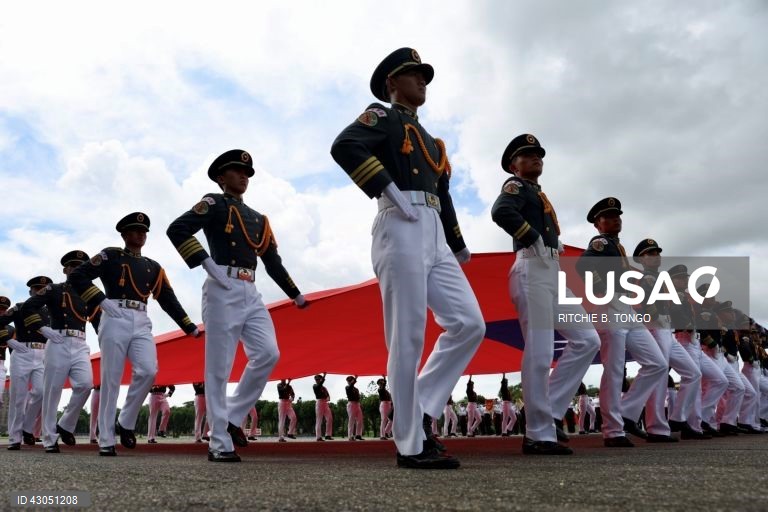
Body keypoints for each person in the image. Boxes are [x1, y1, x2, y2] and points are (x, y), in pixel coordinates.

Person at [331, 47, 485, 469]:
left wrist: (456, 241)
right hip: (400, 221)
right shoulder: (381, 117)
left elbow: (446, 195)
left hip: (433, 227)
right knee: (408, 334)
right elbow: (344, 145)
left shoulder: (433, 143)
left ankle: (419, 410)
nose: (422, 81)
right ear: (391, 83)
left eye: (424, 75)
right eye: (413, 74)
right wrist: (386, 187)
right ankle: (411, 444)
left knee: (470, 323)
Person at [167, 150, 307, 462]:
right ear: (221, 178)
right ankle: (218, 442)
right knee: (219, 367)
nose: (243, 176)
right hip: (222, 286)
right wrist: (206, 264)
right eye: (235, 171)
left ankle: (230, 417)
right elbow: (177, 229)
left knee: (269, 353)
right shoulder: (214, 203)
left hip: (251, 289)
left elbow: (272, 261)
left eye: (246, 172)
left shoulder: (259, 219)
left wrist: (294, 293)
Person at [491, 135, 601, 454]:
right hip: (532, 268)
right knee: (540, 352)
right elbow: (501, 212)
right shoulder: (517, 187)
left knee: (587, 340)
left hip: (551, 271)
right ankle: (538, 434)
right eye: (527, 155)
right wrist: (532, 236)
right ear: (514, 165)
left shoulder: (539, 195)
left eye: (538, 154)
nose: (536, 158)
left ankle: (548, 412)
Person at [69, 212, 199, 456]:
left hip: (141, 318)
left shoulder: (153, 267)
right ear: (125, 234)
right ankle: (106, 439)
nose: (141, 234)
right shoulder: (111, 255)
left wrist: (188, 325)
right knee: (111, 379)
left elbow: (167, 299)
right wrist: (100, 300)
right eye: (136, 230)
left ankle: (125, 422)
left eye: (144, 231)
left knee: (149, 370)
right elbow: (78, 276)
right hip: (115, 314)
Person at [576, 198, 667, 447]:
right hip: (611, 306)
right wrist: (602, 290)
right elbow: (583, 265)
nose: (615, 219)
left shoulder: (617, 246)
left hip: (626, 308)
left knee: (657, 363)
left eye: (617, 215)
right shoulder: (602, 243)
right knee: (614, 368)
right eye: (608, 216)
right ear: (598, 224)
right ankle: (612, 430)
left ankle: (626, 413)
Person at [21, 251, 101, 453]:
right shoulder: (54, 289)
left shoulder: (89, 293)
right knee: (52, 391)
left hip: (81, 343)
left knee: (85, 384)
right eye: (73, 266)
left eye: (81, 266)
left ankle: (65, 424)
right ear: (66, 270)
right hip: (58, 341)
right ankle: (49, 438)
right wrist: (42, 327)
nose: (76, 270)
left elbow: (98, 321)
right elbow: (28, 308)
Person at [632, 244, 702, 442]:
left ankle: (677, 418)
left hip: (668, 330)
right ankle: (656, 428)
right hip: (656, 327)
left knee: (693, 373)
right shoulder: (646, 278)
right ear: (641, 259)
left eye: (657, 253)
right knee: (660, 375)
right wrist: (655, 317)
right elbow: (644, 302)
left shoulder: (659, 278)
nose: (655, 257)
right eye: (650, 254)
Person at [0, 277, 52, 450]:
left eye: (43, 289)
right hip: (22, 352)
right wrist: (7, 339)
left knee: (41, 392)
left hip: (42, 354)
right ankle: (15, 438)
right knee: (18, 397)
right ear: (30, 291)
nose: (39, 292)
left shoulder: (49, 311)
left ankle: (27, 428)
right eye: (36, 289)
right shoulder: (20, 307)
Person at [313, 373, 333, 441]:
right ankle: (318, 437)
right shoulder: (315, 386)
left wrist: (328, 398)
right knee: (319, 420)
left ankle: (328, 435)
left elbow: (328, 395)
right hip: (319, 402)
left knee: (330, 418)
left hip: (325, 402)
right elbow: (319, 385)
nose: (317, 380)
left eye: (318, 379)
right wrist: (324, 376)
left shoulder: (324, 388)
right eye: (316, 379)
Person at [345, 376, 364, 441]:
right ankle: (350, 436)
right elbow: (351, 386)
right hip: (351, 404)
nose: (349, 382)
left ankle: (358, 435)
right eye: (349, 381)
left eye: (350, 380)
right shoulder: (347, 387)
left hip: (357, 404)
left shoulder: (356, 389)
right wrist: (355, 378)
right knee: (351, 420)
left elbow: (358, 397)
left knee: (360, 420)